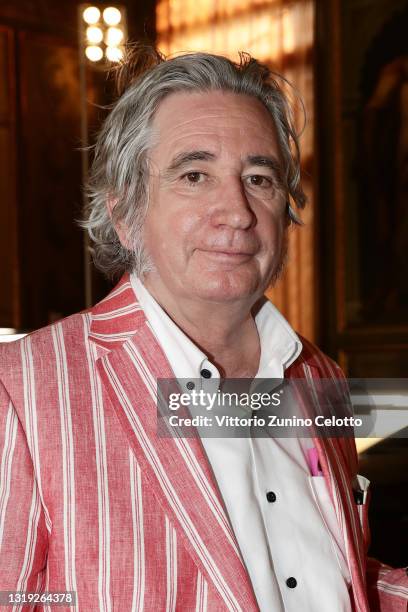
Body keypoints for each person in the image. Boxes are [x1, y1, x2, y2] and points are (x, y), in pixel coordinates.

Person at [0, 46, 406, 612]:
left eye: (259, 178)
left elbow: (323, 568)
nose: (237, 211)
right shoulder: (19, 391)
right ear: (125, 212)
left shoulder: (318, 378)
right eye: (195, 174)